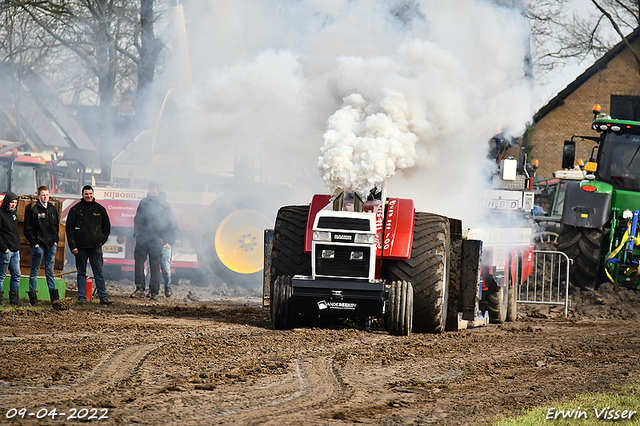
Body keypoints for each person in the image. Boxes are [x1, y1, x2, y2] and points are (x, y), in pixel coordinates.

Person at [66, 185, 113, 305]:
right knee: (81, 272)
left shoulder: (100, 209)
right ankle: (82, 298)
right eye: (86, 194)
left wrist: (102, 240)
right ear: (82, 195)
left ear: (93, 194)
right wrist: (73, 246)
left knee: (98, 272)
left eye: (90, 194)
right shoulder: (75, 210)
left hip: (95, 247)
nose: (88, 196)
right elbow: (69, 229)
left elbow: (107, 227)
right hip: (80, 248)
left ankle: (103, 297)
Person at [132, 183, 177, 300]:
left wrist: (168, 240)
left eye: (154, 192)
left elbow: (172, 223)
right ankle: (139, 288)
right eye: (150, 192)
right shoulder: (143, 202)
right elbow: (137, 219)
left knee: (155, 265)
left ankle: (154, 291)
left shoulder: (164, 205)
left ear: (158, 191)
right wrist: (136, 234)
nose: (152, 195)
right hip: (142, 237)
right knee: (138, 262)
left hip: (157, 239)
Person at [24, 186, 60, 306]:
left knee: (50, 271)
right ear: (38, 196)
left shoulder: (53, 209)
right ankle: (33, 298)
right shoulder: (34, 211)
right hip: (39, 246)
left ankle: (54, 299)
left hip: (51, 245)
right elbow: (27, 229)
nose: (45, 197)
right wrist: (35, 243)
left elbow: (56, 226)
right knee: (35, 271)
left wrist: (56, 240)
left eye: (47, 195)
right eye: (43, 195)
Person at [0, 191, 21, 306]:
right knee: (1, 275)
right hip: (6, 250)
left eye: (15, 202)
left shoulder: (14, 213)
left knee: (16, 275)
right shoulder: (1, 214)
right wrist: (4, 248)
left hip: (15, 250)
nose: (13, 205)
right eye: (12, 202)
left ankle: (14, 300)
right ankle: (1, 300)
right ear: (7, 202)